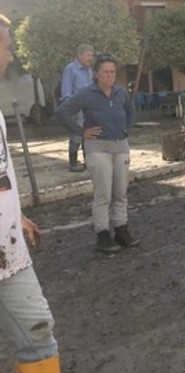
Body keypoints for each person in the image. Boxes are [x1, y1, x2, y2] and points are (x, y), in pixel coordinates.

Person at [0, 14, 62, 373]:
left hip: (7, 249)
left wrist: (15, 214)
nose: (10, 56)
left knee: (39, 332)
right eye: (5, 45)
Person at [55, 54, 139, 253]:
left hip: (121, 147)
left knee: (121, 193)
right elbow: (62, 112)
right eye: (105, 72)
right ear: (96, 74)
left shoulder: (120, 92)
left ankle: (121, 231)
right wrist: (81, 132)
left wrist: (127, 127)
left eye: (112, 72)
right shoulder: (86, 94)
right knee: (103, 195)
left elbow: (130, 110)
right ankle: (103, 236)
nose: (109, 76)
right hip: (97, 148)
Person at [60, 44, 95, 172]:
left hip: (89, 107)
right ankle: (73, 164)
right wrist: (70, 109)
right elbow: (66, 90)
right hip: (77, 107)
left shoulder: (89, 70)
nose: (91, 58)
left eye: (92, 55)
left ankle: (88, 161)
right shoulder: (71, 69)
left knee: (89, 134)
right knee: (76, 134)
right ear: (80, 55)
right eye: (88, 55)